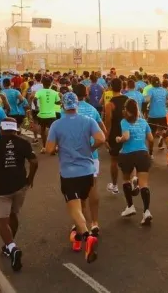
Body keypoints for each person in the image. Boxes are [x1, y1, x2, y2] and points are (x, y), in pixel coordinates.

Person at [46, 92, 106, 263]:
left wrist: (58, 148)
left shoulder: (57, 125)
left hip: (69, 173)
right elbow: (101, 138)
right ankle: (79, 239)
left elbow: (49, 149)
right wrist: (90, 147)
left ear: (63, 106)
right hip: (87, 171)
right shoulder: (88, 120)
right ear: (77, 105)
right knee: (82, 204)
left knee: (74, 209)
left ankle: (87, 237)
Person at [0, 118, 38, 272]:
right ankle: (9, 245)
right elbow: (34, 162)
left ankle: (13, 248)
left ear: (0, 129)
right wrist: (30, 179)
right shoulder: (24, 143)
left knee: (2, 221)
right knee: (13, 215)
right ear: (15, 130)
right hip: (20, 186)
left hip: (1, 189)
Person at [71, 83, 107, 236]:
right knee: (93, 187)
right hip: (92, 155)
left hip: (74, 155)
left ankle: (81, 224)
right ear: (86, 94)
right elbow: (103, 132)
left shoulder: (68, 110)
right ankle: (95, 223)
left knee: (77, 192)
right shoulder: (92, 110)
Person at [115, 99, 154, 224]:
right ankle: (146, 211)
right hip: (142, 153)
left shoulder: (124, 122)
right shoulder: (143, 122)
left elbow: (126, 137)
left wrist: (119, 139)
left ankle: (130, 206)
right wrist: (150, 152)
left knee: (126, 179)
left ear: (127, 110)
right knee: (144, 184)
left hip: (127, 155)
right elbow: (151, 139)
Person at [104, 78, 129, 195]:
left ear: (110, 88)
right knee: (129, 157)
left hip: (115, 134)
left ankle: (114, 185)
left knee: (114, 159)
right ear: (123, 87)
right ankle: (131, 181)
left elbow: (108, 122)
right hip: (127, 132)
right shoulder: (128, 101)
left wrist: (106, 138)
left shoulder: (110, 104)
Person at [30, 77, 60, 153]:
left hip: (42, 114)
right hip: (52, 115)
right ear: (50, 84)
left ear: (43, 84)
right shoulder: (54, 92)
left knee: (43, 131)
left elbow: (34, 99)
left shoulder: (39, 92)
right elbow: (58, 102)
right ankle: (54, 147)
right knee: (53, 131)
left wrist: (36, 106)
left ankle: (44, 147)